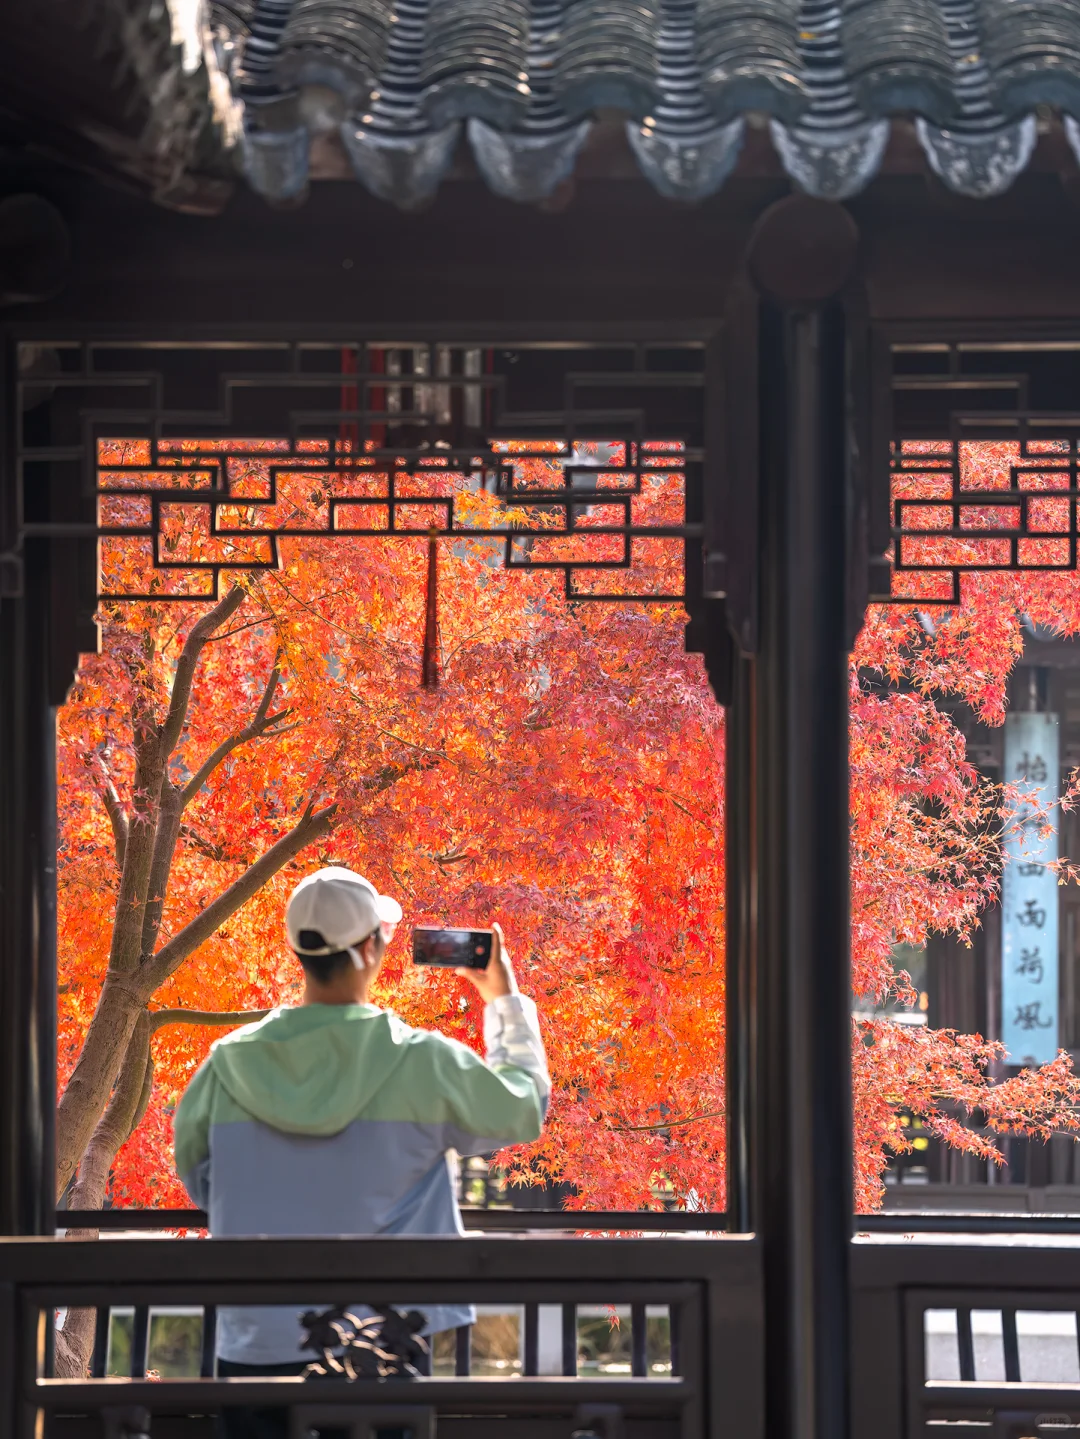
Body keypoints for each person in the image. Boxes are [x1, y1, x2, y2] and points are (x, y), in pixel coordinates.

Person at [173, 866, 549, 1439]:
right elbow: (522, 1106)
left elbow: (201, 1179)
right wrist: (503, 999)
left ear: (299, 950)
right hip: (384, 1347)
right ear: (371, 946)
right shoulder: (423, 1061)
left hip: (254, 1344)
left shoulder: (225, 1065)